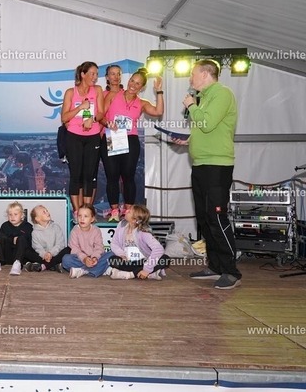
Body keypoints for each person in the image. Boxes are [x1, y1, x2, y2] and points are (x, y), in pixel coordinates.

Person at [174, 59, 241, 290]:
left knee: (217, 217)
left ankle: (231, 271)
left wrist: (192, 105)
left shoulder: (222, 93)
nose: (190, 78)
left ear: (205, 74)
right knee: (204, 218)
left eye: (192, 74)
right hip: (201, 164)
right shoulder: (204, 98)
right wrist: (190, 140)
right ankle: (215, 265)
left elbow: (208, 123)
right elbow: (205, 129)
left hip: (217, 166)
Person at [100, 67, 164, 222]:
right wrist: (107, 123)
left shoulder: (142, 103)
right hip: (112, 137)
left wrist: (159, 92)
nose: (133, 85)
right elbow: (100, 115)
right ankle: (114, 211)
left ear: (142, 87)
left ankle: (128, 210)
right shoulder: (112, 95)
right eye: (132, 81)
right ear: (128, 81)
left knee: (128, 176)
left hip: (130, 140)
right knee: (112, 176)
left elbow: (158, 112)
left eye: (138, 84)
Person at [60, 62, 106, 219]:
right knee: (76, 175)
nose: (95, 77)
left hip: (93, 136)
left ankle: (87, 211)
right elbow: (64, 117)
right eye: (92, 73)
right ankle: (77, 211)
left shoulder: (97, 90)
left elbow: (101, 113)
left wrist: (92, 119)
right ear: (83, 74)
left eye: (97, 74)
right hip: (74, 136)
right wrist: (80, 107)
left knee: (89, 175)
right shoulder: (70, 92)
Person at [107, 205, 170, 280]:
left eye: (129, 212)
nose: (126, 211)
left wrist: (147, 269)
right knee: (112, 260)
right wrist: (122, 255)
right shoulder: (121, 225)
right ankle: (150, 273)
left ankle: (131, 274)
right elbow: (114, 243)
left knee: (165, 259)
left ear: (134, 220)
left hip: (143, 262)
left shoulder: (144, 232)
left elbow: (158, 249)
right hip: (128, 262)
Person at [61, 204, 113, 279]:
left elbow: (99, 247)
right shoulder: (75, 231)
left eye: (86, 216)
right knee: (66, 259)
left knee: (111, 255)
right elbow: (74, 249)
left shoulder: (96, 230)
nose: (82, 219)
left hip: (94, 258)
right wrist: (84, 259)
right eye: (79, 216)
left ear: (92, 219)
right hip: (80, 258)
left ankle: (83, 271)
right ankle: (98, 270)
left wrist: (95, 258)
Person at [0, 201, 34, 276]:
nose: (12, 217)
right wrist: (12, 240)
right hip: (7, 256)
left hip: (22, 257)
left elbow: (29, 244)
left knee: (21, 239)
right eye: (10, 214)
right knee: (2, 237)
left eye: (15, 214)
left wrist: (17, 240)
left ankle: (17, 264)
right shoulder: (5, 226)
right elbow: (0, 241)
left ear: (22, 215)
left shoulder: (28, 226)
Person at [27, 205, 70, 272]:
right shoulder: (35, 232)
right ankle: (53, 265)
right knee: (27, 252)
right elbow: (37, 248)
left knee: (68, 249)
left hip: (56, 254)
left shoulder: (56, 227)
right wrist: (44, 254)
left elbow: (60, 244)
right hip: (43, 257)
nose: (47, 212)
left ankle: (44, 266)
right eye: (44, 212)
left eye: (47, 211)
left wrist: (51, 253)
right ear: (37, 218)